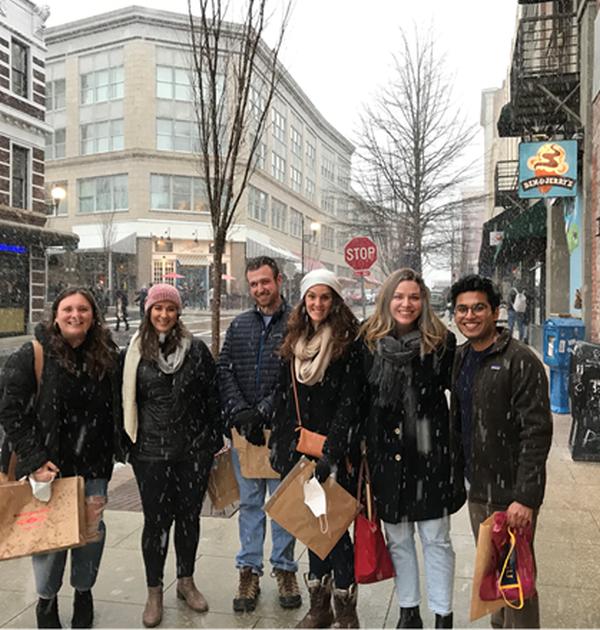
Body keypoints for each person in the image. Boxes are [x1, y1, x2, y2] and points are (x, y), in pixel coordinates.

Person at [0, 287, 126, 629]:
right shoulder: (33, 354)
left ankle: (84, 594)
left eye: (83, 309)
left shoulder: (106, 354)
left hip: (94, 466)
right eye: (68, 309)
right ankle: (47, 601)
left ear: (93, 316)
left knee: (90, 534)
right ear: (55, 316)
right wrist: (36, 458)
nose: (76, 315)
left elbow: (118, 404)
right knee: (48, 540)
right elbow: (11, 413)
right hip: (48, 468)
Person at [360, 269, 464, 629]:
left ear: (424, 302)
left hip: (430, 456)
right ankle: (408, 610)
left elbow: (462, 399)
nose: (406, 304)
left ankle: (442, 613)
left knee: (437, 539)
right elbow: (359, 401)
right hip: (387, 457)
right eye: (399, 297)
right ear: (387, 300)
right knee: (399, 538)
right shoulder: (369, 342)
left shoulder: (441, 343)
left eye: (414, 297)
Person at [450, 274, 552, 629]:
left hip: (511, 494)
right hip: (478, 487)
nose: (470, 315)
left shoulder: (520, 360)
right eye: (462, 309)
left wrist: (525, 497)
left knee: (517, 577)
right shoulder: (461, 357)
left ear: (495, 312)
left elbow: (536, 433)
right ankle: (499, 624)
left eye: (479, 307)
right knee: (493, 570)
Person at [122, 283, 222, 628]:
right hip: (149, 452)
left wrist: (210, 440)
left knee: (189, 518)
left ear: (178, 313)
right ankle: (154, 591)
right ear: (148, 311)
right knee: (155, 523)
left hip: (192, 452)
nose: (163, 315)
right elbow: (120, 401)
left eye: (170, 308)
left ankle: (186, 581)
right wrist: (127, 444)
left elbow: (213, 397)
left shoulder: (196, 351)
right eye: (157, 308)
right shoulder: (133, 352)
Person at [270, 268, 364, 629]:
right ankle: (319, 609)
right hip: (301, 452)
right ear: (303, 300)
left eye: (325, 297)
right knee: (313, 528)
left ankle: (346, 613)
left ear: (335, 301)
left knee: (336, 532)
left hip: (335, 454)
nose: (318, 303)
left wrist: (332, 452)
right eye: (312, 296)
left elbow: (350, 402)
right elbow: (283, 397)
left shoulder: (347, 343)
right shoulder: (294, 339)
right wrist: (284, 447)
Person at [217, 256, 301, 612]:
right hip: (245, 434)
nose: (260, 289)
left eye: (265, 282)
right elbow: (225, 369)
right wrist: (240, 411)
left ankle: (284, 569)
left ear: (279, 280)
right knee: (251, 504)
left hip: (281, 430)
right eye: (253, 284)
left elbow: (294, 374)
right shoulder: (239, 326)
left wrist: (264, 411)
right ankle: (249, 569)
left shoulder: (297, 323)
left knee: (283, 505)